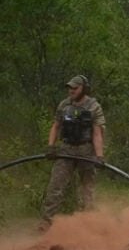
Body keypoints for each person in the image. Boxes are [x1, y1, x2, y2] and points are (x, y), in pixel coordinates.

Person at [41, 75, 106, 228]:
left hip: (86, 151)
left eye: (75, 88)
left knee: (87, 190)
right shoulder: (64, 105)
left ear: (84, 89)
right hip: (66, 149)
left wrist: (99, 156)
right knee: (55, 187)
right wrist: (51, 146)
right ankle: (45, 222)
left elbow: (97, 133)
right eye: (70, 87)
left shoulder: (94, 107)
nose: (71, 91)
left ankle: (88, 223)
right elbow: (56, 126)